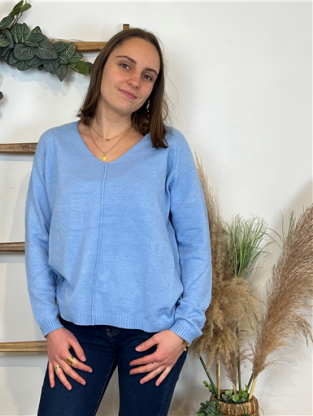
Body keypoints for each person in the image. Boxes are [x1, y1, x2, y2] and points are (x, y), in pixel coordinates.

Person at [25, 27, 212, 416]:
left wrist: (183, 331)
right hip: (76, 329)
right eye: (125, 66)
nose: (135, 81)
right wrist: (51, 326)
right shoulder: (55, 145)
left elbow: (195, 242)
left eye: (148, 75)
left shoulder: (169, 147)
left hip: (154, 332)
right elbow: (38, 238)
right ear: (101, 67)